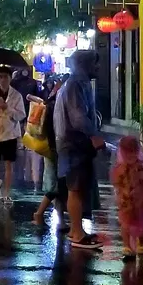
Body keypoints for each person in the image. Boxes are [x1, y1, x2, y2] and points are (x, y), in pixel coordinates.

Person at [53, 49, 105, 248]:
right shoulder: (76, 85)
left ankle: (78, 230)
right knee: (75, 188)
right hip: (74, 144)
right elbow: (78, 117)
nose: (98, 67)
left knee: (77, 188)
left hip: (71, 144)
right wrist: (93, 135)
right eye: (95, 63)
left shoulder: (75, 83)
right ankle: (77, 232)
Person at [0, 64, 27, 202]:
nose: (3, 79)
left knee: (9, 164)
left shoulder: (17, 95)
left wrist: (7, 107)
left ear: (10, 78)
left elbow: (21, 115)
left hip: (10, 133)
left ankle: (6, 193)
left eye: (6, 77)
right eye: (0, 77)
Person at [30, 77, 64, 226]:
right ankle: (39, 213)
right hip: (54, 148)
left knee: (57, 185)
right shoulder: (56, 106)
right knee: (56, 185)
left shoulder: (50, 103)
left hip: (50, 147)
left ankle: (61, 220)